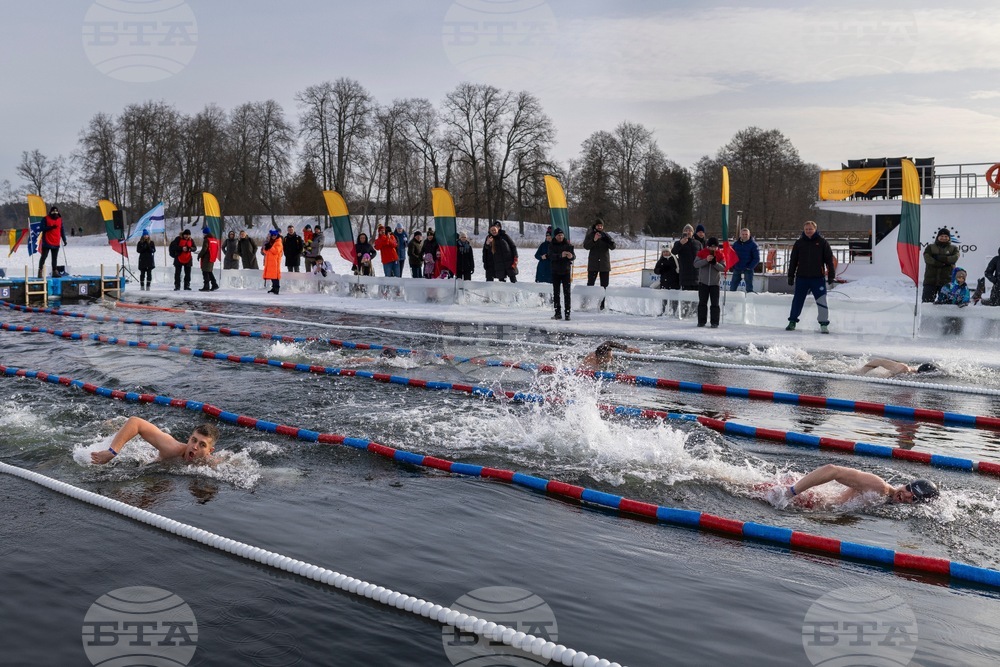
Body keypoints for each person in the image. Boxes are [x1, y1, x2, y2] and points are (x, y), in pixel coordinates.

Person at [772, 463, 939, 508]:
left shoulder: (887, 501)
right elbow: (832, 470)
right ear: (906, 484)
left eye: (914, 498)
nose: (908, 495)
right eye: (910, 489)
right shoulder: (879, 488)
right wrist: (790, 493)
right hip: (805, 500)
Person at [90, 417, 219, 465]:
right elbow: (135, 422)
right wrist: (112, 451)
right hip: (146, 456)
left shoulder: (210, 464)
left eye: (202, 445)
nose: (195, 447)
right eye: (193, 440)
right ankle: (109, 425)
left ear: (210, 451)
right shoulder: (173, 448)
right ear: (189, 439)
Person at [785, 220, 836, 334]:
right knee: (797, 300)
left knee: (821, 301)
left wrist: (831, 275)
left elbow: (829, 260)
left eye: (810, 229)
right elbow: (793, 261)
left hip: (817, 278)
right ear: (804, 230)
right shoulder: (799, 243)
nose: (808, 231)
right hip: (802, 278)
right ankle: (792, 321)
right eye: (806, 229)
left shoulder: (822, 242)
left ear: (815, 229)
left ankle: (823, 323)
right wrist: (790, 276)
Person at [583, 218, 616, 309]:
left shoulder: (606, 235)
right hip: (593, 264)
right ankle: (586, 303)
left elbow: (613, 246)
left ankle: (602, 305)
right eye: (598, 225)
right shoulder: (590, 235)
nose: (600, 227)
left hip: (604, 265)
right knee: (590, 284)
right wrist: (594, 240)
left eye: (601, 226)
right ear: (595, 226)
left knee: (604, 286)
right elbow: (586, 246)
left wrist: (607, 240)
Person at [694, 237, 726, 328]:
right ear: (708, 246)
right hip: (703, 282)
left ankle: (715, 322)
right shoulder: (702, 253)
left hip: (715, 283)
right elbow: (695, 264)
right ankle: (701, 321)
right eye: (711, 247)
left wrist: (715, 263)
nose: (713, 249)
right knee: (702, 303)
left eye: (715, 247)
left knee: (715, 304)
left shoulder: (720, 254)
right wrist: (706, 260)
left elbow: (723, 268)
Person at [922, 228, 959, 303]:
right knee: (927, 302)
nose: (944, 238)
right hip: (930, 280)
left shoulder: (954, 248)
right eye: (942, 236)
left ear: (949, 238)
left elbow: (954, 258)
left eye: (946, 236)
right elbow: (927, 258)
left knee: (945, 304)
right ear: (937, 237)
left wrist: (938, 257)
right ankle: (926, 315)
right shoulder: (930, 247)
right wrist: (941, 263)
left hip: (946, 281)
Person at [549, 228, 575, 320]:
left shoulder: (568, 244)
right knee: (556, 293)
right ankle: (557, 313)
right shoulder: (552, 244)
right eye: (558, 235)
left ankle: (567, 313)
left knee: (567, 293)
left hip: (566, 271)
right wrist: (561, 255)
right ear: (555, 236)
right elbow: (551, 256)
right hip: (555, 272)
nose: (560, 237)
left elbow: (573, 256)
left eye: (562, 235)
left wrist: (571, 256)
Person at [38, 205, 68, 278]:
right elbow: (42, 228)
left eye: (56, 211)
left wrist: (64, 239)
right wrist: (50, 227)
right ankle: (40, 271)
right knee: (44, 256)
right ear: (50, 212)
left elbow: (62, 230)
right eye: (53, 211)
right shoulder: (45, 219)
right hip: (47, 241)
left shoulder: (60, 219)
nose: (55, 213)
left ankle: (55, 271)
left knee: (54, 258)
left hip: (56, 241)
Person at [671, 224, 702, 293]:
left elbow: (702, 257)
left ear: (692, 232)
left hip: (697, 277)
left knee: (695, 301)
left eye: (689, 230)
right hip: (685, 277)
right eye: (686, 230)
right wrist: (680, 243)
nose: (688, 232)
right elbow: (673, 252)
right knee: (685, 302)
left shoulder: (698, 243)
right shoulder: (678, 243)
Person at [729, 227, 760, 292]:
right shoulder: (736, 244)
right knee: (732, 288)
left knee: (749, 289)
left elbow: (756, 258)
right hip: (737, 269)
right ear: (740, 235)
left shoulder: (753, 245)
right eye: (743, 234)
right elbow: (731, 255)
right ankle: (731, 300)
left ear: (749, 234)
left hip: (748, 270)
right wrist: (733, 266)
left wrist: (750, 267)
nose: (744, 236)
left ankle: (750, 300)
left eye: (746, 234)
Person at [855, 358, 938, 378]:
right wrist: (861, 372)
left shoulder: (912, 372)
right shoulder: (904, 369)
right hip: (859, 374)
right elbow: (878, 361)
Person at [197, 227, 220, 291]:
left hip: (207, 258)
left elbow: (204, 249)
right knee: (209, 271)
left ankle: (206, 287)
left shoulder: (207, 240)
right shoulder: (214, 240)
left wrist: (199, 255)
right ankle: (214, 284)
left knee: (205, 272)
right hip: (212, 257)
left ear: (205, 233)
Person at [262, 228, 283, 294]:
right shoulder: (271, 242)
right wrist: (265, 248)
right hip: (269, 261)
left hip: (275, 262)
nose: (273, 236)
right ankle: (273, 288)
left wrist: (270, 247)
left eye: (275, 235)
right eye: (272, 235)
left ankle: (276, 288)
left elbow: (276, 251)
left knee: (275, 276)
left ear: (277, 235)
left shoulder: (278, 242)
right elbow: (265, 252)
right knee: (272, 275)